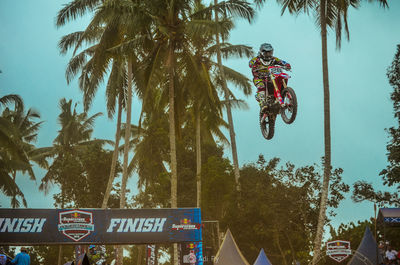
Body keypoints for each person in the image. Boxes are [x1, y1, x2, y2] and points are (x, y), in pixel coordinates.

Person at [249, 43, 291, 111]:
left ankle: (282, 96)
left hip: (271, 78)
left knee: (281, 78)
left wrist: (286, 65)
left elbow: (281, 62)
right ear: (262, 52)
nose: (268, 54)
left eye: (270, 52)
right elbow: (250, 63)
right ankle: (263, 104)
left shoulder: (274, 59)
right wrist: (253, 65)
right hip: (259, 78)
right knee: (261, 86)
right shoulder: (257, 59)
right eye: (266, 52)